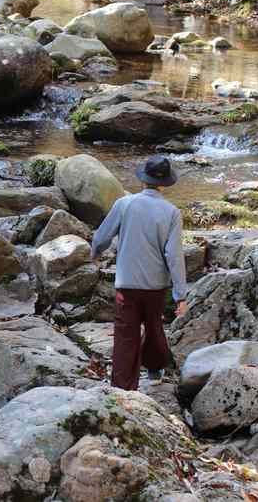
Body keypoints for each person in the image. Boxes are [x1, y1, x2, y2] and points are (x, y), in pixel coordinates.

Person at [90, 155, 188, 391]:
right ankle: (154, 370)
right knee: (154, 326)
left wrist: (95, 252)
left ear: (142, 180)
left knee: (126, 333)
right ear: (164, 184)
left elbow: (102, 237)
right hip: (156, 286)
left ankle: (123, 388)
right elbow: (174, 256)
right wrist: (180, 295)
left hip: (127, 283)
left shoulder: (124, 204)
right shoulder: (172, 212)